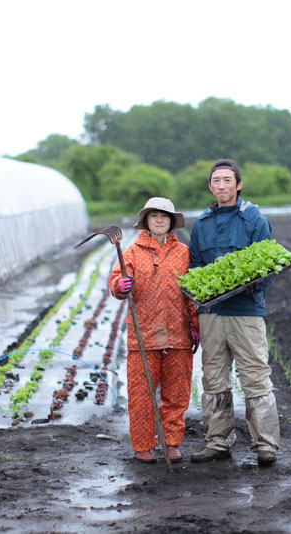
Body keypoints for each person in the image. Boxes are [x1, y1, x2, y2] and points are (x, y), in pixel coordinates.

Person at [188, 159, 280, 466]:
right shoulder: (201, 224)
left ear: (238, 185)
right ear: (210, 186)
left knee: (255, 376)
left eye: (228, 180)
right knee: (213, 377)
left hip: (246, 312)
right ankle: (217, 442)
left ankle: (265, 445)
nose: (222, 185)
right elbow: (196, 268)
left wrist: (248, 289)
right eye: (216, 181)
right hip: (211, 314)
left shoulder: (254, 219)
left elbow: (266, 265)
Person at [109, 197, 200, 463]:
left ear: (171, 221)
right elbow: (115, 281)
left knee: (176, 393)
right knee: (141, 394)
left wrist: (194, 325)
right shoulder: (132, 252)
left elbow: (192, 292)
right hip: (143, 334)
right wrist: (120, 286)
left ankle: (171, 442)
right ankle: (143, 445)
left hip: (178, 333)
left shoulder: (184, 252)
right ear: (146, 222)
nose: (159, 220)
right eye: (153, 216)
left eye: (164, 216)